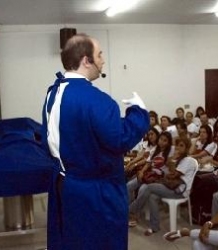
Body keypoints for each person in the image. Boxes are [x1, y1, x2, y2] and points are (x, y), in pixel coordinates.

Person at [42, 34, 150, 250]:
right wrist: (140, 112)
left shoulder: (52, 93)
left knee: (72, 241)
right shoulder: (97, 100)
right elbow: (119, 139)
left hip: (65, 185)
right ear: (86, 60)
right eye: (99, 55)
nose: (103, 60)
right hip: (96, 194)